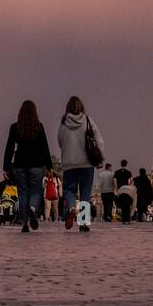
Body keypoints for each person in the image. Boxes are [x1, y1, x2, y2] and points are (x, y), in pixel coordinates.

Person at [3, 100, 52, 233]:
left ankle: (25, 223)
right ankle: (33, 208)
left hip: (20, 163)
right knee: (36, 191)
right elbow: (44, 147)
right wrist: (50, 166)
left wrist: (6, 166)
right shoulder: (39, 126)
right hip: (37, 163)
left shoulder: (15, 127)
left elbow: (9, 148)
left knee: (23, 193)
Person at [57, 96, 103, 232]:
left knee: (69, 190)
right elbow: (98, 140)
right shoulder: (88, 120)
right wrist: (99, 157)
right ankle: (83, 222)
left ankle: (71, 207)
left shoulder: (63, 122)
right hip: (86, 163)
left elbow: (60, 141)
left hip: (69, 162)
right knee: (85, 192)